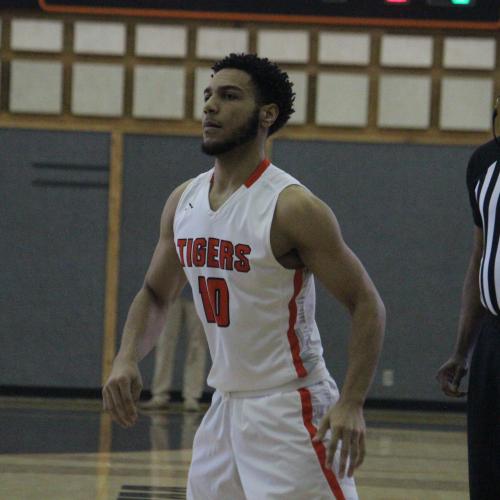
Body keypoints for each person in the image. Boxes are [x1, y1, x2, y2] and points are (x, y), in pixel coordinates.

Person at [102, 53, 385, 500]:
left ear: (266, 115)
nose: (210, 107)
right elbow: (156, 294)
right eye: (208, 96)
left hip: (291, 406)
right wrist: (126, 357)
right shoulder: (184, 200)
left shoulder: (292, 207)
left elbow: (366, 303)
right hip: (223, 409)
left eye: (229, 96)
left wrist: (351, 402)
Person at [437, 138, 500, 500]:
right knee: (487, 467)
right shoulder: (485, 161)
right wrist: (462, 350)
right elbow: (480, 255)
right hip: (494, 339)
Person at [140, 284, 207, 412]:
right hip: (171, 293)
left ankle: (192, 397)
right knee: (164, 343)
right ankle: (159, 395)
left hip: (199, 292)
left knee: (197, 345)